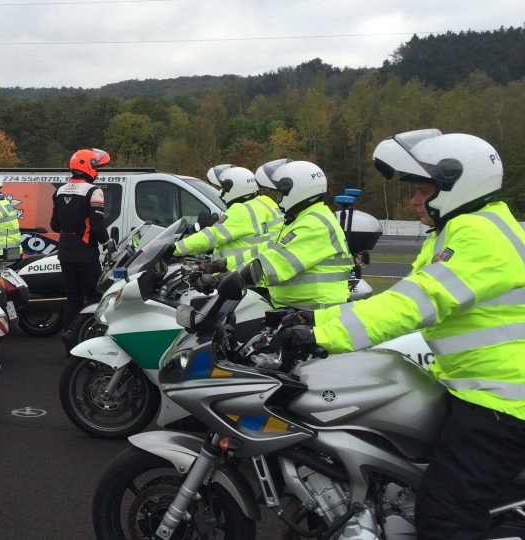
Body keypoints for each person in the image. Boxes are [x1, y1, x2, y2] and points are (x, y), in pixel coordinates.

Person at [273, 130, 525, 539]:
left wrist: (319, 331)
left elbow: (414, 302)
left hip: (502, 404)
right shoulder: (471, 227)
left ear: (455, 186)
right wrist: (312, 317)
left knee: (446, 517)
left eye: (422, 190)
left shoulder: (479, 236)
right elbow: (402, 299)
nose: (412, 200)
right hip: (483, 392)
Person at [216, 160, 353, 310]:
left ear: (297, 190)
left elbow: (277, 263)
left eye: (281, 193)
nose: (278, 198)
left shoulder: (315, 224)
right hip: (298, 308)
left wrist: (228, 279)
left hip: (317, 313)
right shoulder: (300, 219)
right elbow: (264, 250)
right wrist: (223, 264)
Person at [50, 148, 112, 347]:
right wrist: (108, 243)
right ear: (86, 166)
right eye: (96, 167)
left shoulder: (59, 191)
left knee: (73, 297)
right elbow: (97, 226)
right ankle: (87, 339)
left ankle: (69, 337)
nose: (97, 171)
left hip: (65, 251)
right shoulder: (94, 191)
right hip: (85, 252)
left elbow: (54, 226)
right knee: (95, 297)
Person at [173, 165, 283, 266]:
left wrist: (175, 248)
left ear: (236, 188)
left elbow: (212, 236)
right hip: (260, 267)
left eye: (224, 189)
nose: (221, 193)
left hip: (233, 273)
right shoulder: (266, 202)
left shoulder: (241, 210)